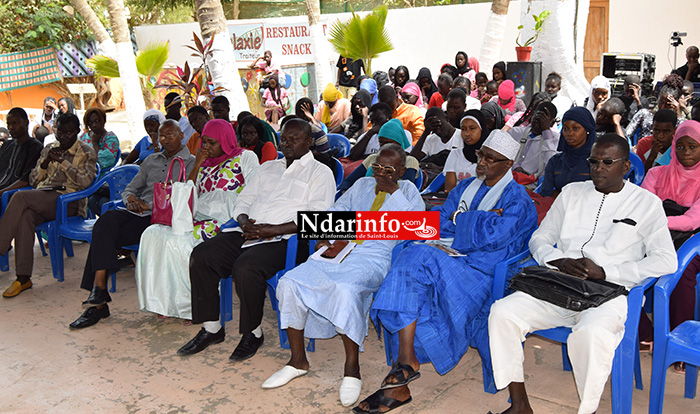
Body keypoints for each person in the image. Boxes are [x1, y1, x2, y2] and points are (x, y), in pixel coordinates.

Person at [488, 133, 677, 414]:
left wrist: (608, 271)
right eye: (594, 161)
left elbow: (666, 261)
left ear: (626, 167)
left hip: (609, 293)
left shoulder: (646, 204)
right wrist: (559, 260)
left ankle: (586, 410)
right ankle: (519, 405)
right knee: (502, 313)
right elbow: (540, 238)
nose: (598, 168)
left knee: (590, 335)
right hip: (559, 285)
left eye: (608, 162)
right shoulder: (572, 193)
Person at [354, 130, 537, 413]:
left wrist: (459, 220)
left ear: (507, 164)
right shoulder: (466, 188)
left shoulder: (518, 200)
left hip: (484, 272)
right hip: (452, 259)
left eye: (491, 158)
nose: (482, 162)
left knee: (417, 258)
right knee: (408, 259)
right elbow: (442, 220)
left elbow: (494, 238)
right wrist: (471, 220)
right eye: (481, 155)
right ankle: (403, 372)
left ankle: (404, 369)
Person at [262, 144, 424, 406]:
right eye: (377, 167)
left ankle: (352, 369)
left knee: (346, 290)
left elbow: (415, 229)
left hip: (375, 255)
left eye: (389, 169)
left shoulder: (408, 192)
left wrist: (393, 192)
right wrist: (324, 234)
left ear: (402, 171)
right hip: (342, 247)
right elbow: (335, 212)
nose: (380, 174)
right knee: (290, 282)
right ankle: (297, 361)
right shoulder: (361, 185)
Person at [175, 119, 335, 361]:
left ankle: (253, 332)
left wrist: (270, 231)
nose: (288, 143)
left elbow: (317, 219)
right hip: (248, 231)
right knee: (202, 255)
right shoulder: (268, 168)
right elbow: (243, 201)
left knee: (246, 266)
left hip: (287, 239)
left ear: (309, 142)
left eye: (295, 139)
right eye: (284, 139)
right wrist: (243, 221)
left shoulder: (320, 173)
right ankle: (212, 328)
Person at [68, 120, 196, 329]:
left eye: (170, 135)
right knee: (106, 221)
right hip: (135, 212)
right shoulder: (151, 160)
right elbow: (130, 188)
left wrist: (149, 206)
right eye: (161, 136)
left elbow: (185, 195)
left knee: (103, 236)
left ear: (181, 135)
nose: (164, 140)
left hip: (160, 219)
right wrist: (130, 200)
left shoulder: (189, 162)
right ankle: (99, 289)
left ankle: (97, 303)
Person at [136, 119, 259, 320]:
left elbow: (255, 190)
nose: (207, 147)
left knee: (182, 242)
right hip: (197, 215)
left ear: (225, 140)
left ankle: (191, 306)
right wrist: (197, 165)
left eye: (212, 143)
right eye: (204, 142)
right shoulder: (203, 163)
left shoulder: (245, 157)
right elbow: (188, 193)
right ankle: (165, 302)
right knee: (153, 234)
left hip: (227, 220)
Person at [0, 113, 97, 298]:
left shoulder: (86, 151)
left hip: (68, 202)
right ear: (55, 130)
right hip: (43, 197)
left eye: (69, 133)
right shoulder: (49, 148)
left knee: (20, 198)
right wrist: (45, 163)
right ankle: (23, 278)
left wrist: (64, 162)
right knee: (25, 217)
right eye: (60, 132)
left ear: (77, 131)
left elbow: (86, 182)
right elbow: (34, 180)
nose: (64, 137)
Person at [638, 120, 700, 372]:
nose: (686, 152)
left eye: (693, 147)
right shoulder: (656, 173)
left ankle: (679, 339)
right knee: (618, 258)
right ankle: (646, 332)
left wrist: (658, 221)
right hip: (655, 235)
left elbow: (692, 220)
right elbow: (641, 208)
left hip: (693, 241)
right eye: (681, 146)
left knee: (680, 271)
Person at [339, 119, 419, 194]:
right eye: (381, 142)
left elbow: (407, 188)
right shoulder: (373, 158)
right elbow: (349, 181)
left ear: (399, 143)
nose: (385, 146)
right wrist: (345, 193)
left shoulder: (409, 161)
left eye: (390, 142)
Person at [540, 107, 596, 198]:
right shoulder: (556, 161)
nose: (569, 133)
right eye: (565, 129)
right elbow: (545, 194)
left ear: (587, 130)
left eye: (575, 128)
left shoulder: (596, 162)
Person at [509, 102, 560, 182]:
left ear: (552, 123)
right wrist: (515, 166)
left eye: (543, 121)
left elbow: (550, 165)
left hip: (533, 185)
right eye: (536, 119)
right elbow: (503, 156)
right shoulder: (515, 132)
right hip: (509, 178)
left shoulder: (555, 140)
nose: (538, 123)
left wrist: (546, 131)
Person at [443, 109, 490, 193]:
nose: (467, 133)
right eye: (463, 129)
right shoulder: (455, 154)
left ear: (482, 129)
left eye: (472, 128)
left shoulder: (491, 158)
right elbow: (450, 190)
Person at [0, 108, 44, 195]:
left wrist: (1, 192)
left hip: (13, 194)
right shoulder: (7, 145)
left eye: (15, 123)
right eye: (8, 124)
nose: (11, 127)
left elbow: (25, 181)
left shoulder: (35, 147)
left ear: (26, 122)